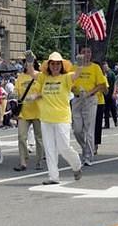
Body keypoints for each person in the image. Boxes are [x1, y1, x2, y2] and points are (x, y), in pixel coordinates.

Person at [24, 50, 82, 185]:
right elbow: (32, 73)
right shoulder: (44, 77)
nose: (55, 66)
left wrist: (79, 64)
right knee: (49, 149)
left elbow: (76, 75)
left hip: (62, 118)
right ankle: (53, 177)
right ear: (48, 65)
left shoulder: (66, 77)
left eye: (58, 64)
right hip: (46, 118)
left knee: (64, 147)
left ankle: (76, 165)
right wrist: (30, 62)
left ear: (61, 65)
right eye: (52, 64)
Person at [69, 46, 107, 166]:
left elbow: (101, 85)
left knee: (89, 129)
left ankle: (88, 156)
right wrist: (75, 89)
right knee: (77, 129)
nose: (86, 54)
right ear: (79, 54)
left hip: (90, 99)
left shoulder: (95, 68)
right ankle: (85, 147)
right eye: (84, 52)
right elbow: (69, 83)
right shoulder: (74, 67)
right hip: (77, 99)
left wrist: (90, 92)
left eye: (89, 52)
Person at [12, 56, 44, 171]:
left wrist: (36, 96)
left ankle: (39, 160)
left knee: (39, 138)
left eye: (29, 62)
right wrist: (14, 95)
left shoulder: (39, 75)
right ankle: (23, 161)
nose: (26, 65)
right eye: (25, 62)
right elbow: (16, 91)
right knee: (21, 137)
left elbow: (44, 92)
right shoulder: (20, 77)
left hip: (38, 111)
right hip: (23, 112)